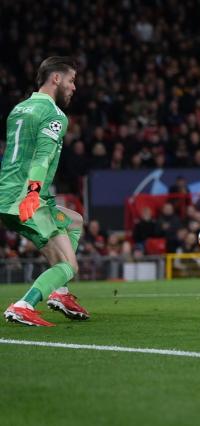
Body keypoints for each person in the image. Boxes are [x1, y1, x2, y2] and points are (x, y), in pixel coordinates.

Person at [1, 56, 89, 327]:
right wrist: (33, 192)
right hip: (28, 198)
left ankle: (59, 292)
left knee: (75, 220)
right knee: (69, 266)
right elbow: (41, 158)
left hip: (9, 193)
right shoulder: (53, 114)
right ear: (56, 78)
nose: (74, 87)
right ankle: (23, 305)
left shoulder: (20, 109)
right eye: (72, 80)